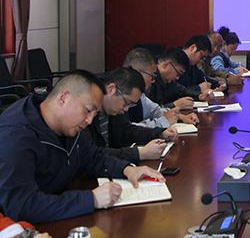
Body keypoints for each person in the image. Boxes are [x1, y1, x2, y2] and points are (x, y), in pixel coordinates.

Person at [0, 70, 164, 223]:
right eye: (87, 110)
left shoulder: (70, 125)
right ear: (63, 98)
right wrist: (91, 199)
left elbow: (93, 157)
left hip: (62, 212)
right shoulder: (15, 135)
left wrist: (127, 169)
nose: (89, 120)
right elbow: (21, 206)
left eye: (94, 114)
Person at [87, 67, 177, 164]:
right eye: (126, 103)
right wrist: (140, 153)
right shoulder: (86, 112)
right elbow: (91, 154)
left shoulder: (113, 108)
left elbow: (126, 131)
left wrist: (159, 133)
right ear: (111, 89)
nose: (126, 109)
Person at [124, 48, 198, 128]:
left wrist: (180, 116)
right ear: (137, 73)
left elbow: (155, 110)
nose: (152, 81)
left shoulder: (141, 96)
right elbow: (128, 129)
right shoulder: (120, 93)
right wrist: (163, 121)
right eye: (151, 76)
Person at [178, 35, 219, 99]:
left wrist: (219, 84)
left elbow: (203, 78)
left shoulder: (192, 65)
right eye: (201, 56)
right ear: (192, 48)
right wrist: (198, 88)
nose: (201, 61)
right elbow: (177, 91)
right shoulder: (176, 62)